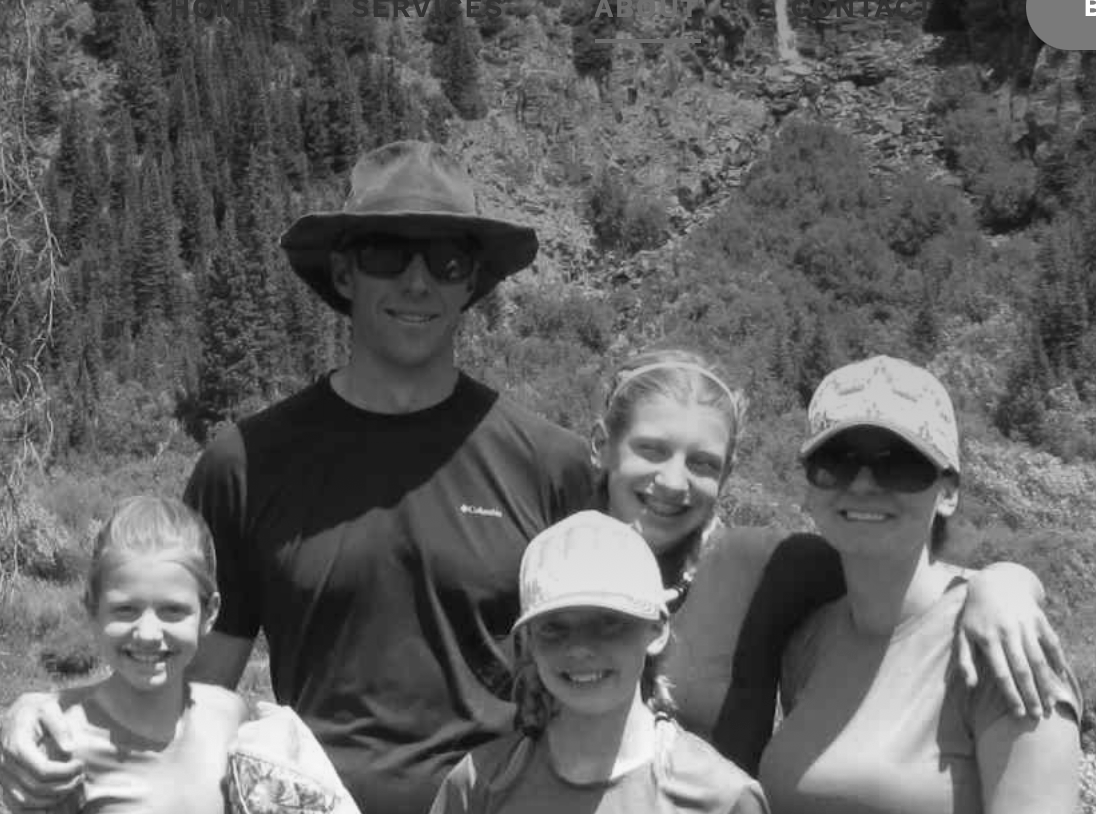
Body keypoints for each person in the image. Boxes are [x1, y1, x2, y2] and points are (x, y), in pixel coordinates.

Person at [0, 141, 594, 814]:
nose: (417, 281)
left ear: (472, 280)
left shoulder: (550, 467)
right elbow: (180, 693)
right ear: (344, 273)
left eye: (446, 259)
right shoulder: (247, 466)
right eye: (386, 255)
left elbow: (608, 675)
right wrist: (43, 710)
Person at [587, 349, 1071, 770]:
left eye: (703, 463)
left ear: (727, 472)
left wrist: (1005, 582)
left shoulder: (770, 567)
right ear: (600, 446)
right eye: (651, 450)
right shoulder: (543, 558)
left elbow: (895, 570)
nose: (673, 482)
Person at [756, 355, 1081, 813]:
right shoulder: (811, 642)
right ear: (810, 483)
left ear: (947, 492)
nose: (864, 484)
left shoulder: (1002, 645)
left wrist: (1009, 579)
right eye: (837, 461)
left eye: (900, 465)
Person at [428, 510, 769, 814]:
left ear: (657, 630)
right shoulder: (480, 783)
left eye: (608, 623)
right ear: (529, 642)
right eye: (554, 628)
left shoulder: (720, 798)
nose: (579, 649)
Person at [52, 496, 249, 813]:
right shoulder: (63, 744)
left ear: (209, 612)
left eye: (173, 610)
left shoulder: (230, 716)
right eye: (126, 609)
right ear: (92, 608)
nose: (147, 633)